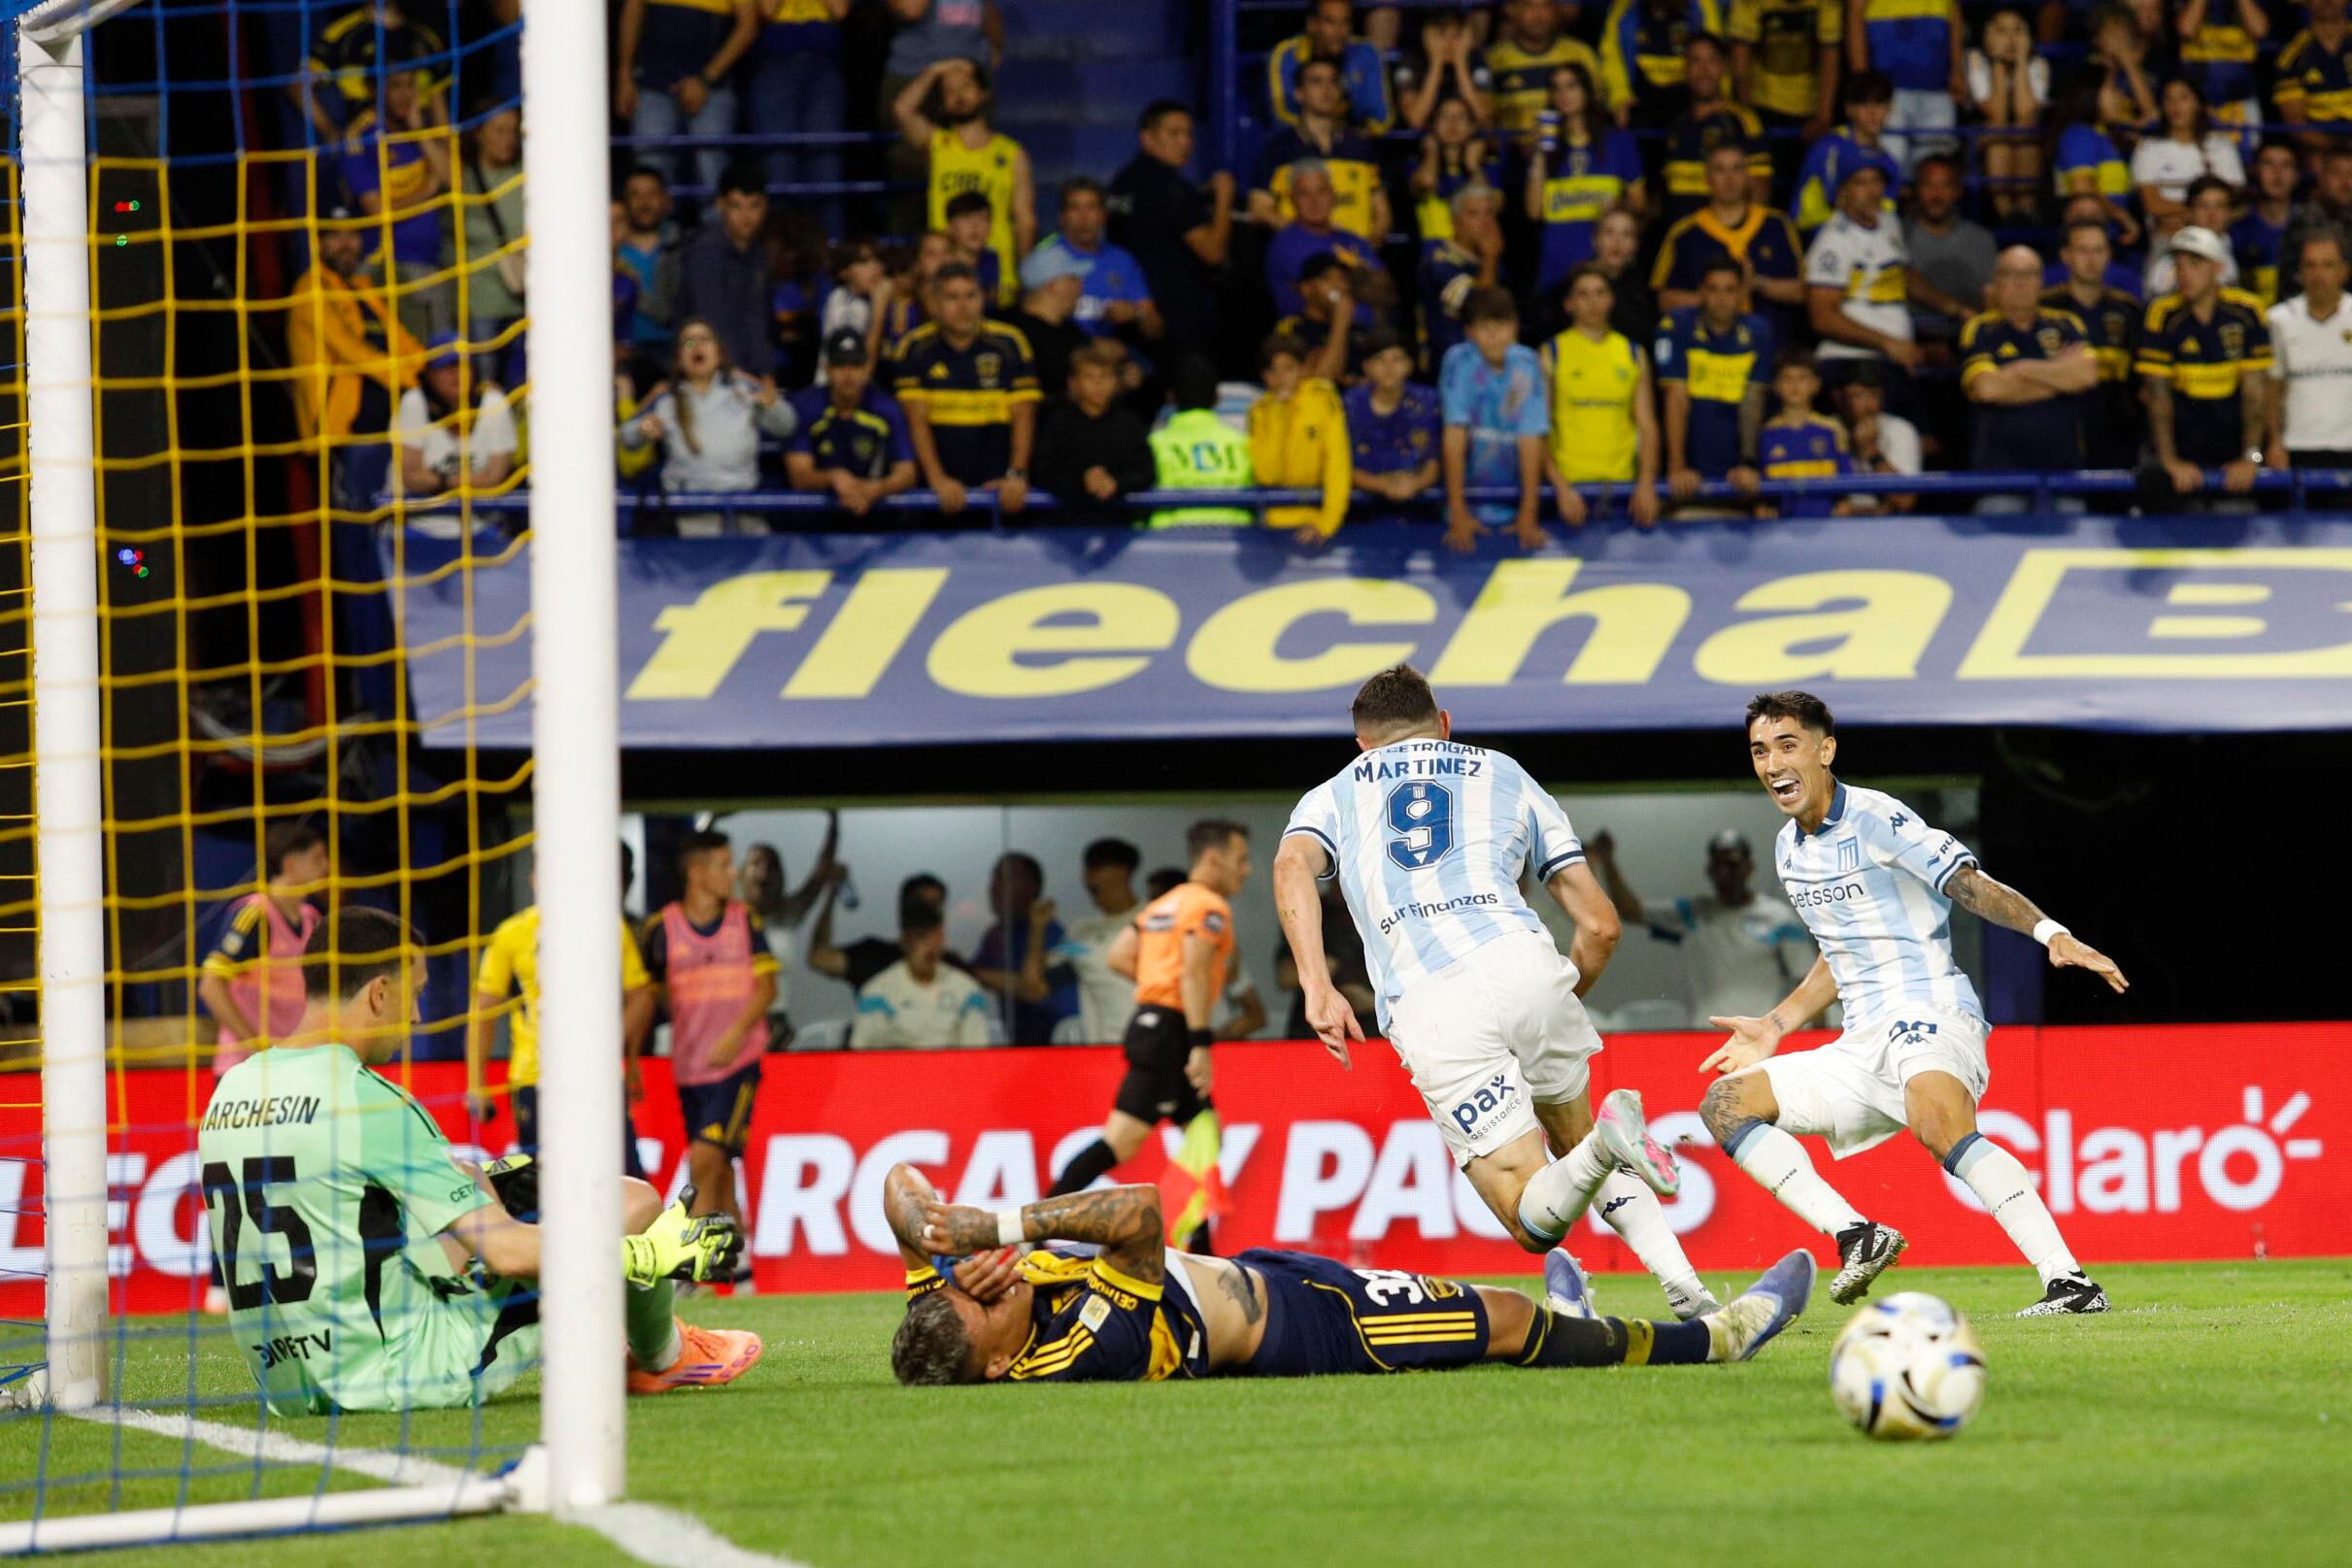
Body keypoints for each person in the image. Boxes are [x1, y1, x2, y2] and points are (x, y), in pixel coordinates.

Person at [1271, 665, 1716, 1318]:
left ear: (1362, 744)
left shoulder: (1333, 793)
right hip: (1525, 960)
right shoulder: (1505, 773)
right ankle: (1691, 1293)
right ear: (1445, 725)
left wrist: (1317, 985)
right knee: (1576, 1139)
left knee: (1530, 1217)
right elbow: (1601, 925)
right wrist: (1557, 995)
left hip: (1432, 995)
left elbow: (1291, 866)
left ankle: (1607, 1146)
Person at [199, 907, 758, 1413]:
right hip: (404, 1371)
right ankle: (664, 1355)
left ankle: (627, 1338)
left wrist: (474, 1187)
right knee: (632, 1204)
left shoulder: (232, 1090)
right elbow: (508, 1254)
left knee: (491, 1190)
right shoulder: (368, 1100)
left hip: (288, 1384)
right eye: (414, 993)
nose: (417, 1015)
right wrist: (647, 1254)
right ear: (378, 994)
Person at [1698, 690, 2128, 1316]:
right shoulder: (1788, 850)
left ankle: (2070, 1283)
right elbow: (1839, 953)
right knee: (1725, 1104)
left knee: (1938, 1123)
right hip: (1860, 1042)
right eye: (1761, 751)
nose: (1773, 764)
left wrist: (2048, 933)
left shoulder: (1878, 817)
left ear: (1826, 750)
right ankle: (1857, 1235)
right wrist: (1775, 1023)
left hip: (1929, 1010)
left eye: (1788, 746)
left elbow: (1967, 884)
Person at [883, 1165, 1814, 1385]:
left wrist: (942, 1239)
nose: (988, 1282)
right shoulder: (1085, 1350)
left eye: (962, 1281)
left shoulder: (957, 1307)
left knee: (1504, 1309)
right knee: (1498, 1318)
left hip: (1262, 1270)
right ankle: (1713, 1339)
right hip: (1307, 1328)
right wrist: (995, 1226)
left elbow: (895, 1184)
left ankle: (1571, 1316)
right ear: (1001, 1364)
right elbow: (1138, 1211)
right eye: (984, 1303)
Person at [1044, 822, 1253, 1218]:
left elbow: (1119, 956)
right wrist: (1200, 1043)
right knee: (1121, 1142)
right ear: (1213, 859)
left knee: (1206, 1134)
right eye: (1240, 859)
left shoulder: (1162, 906)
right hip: (1172, 1034)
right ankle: (1032, 1227)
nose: (1247, 869)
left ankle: (1197, 1244)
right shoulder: (1209, 907)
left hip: (1153, 1023)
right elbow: (1193, 972)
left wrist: (1158, 983)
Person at [468, 859, 657, 1165]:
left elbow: (642, 995)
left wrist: (617, 1050)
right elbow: (484, 1010)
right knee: (544, 1182)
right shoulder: (512, 934)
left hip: (598, 1077)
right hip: (536, 1077)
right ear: (534, 879)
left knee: (623, 1179)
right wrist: (476, 1083)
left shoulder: (606, 925)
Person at [640, 829, 781, 1234]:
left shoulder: (744, 920)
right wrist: (631, 1059)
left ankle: (692, 1254)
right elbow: (646, 998)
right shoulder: (662, 929)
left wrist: (734, 1036)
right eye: (724, 865)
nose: (733, 873)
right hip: (689, 1069)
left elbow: (767, 989)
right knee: (718, 1166)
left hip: (738, 1064)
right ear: (697, 873)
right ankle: (739, 1260)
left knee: (703, 1159)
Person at [1587, 828, 1818, 1028]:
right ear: (1709, 870)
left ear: (1749, 868)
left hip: (1760, 1035)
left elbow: (1808, 983)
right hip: (1702, 1036)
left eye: (1733, 865)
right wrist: (1607, 860)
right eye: (1718, 865)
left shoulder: (1779, 918)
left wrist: (1818, 1038)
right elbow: (1631, 911)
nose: (1726, 873)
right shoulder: (1693, 912)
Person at [284, 209, 424, 512]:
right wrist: (415, 381)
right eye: (336, 236)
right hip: (341, 432)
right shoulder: (310, 289)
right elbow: (351, 352)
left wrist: (427, 373)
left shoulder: (363, 289)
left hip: (383, 424)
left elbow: (403, 342)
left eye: (352, 234)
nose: (346, 243)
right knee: (353, 522)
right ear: (319, 243)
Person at [889, 263, 1039, 518]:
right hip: (937, 494)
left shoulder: (1011, 343)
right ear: (934, 304)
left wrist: (1016, 475)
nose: (964, 306)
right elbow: (916, 421)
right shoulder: (914, 348)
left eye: (971, 296)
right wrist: (938, 480)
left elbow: (1024, 415)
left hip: (999, 491)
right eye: (952, 297)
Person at [621, 318, 797, 535]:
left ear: (719, 354)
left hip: (745, 516)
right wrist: (642, 430)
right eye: (688, 342)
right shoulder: (666, 398)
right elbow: (626, 436)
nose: (697, 346)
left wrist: (773, 406)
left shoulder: (744, 390)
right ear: (678, 359)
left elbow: (787, 426)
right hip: (686, 519)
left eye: (705, 340)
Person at [2139, 223, 2272, 507]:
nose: (2184, 273)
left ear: (2217, 268)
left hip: (2236, 456)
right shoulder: (2162, 313)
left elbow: (2256, 395)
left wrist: (2251, 459)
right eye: (2179, 265)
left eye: (2195, 264)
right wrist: (2169, 460)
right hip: (2182, 455)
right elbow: (2158, 395)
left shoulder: (2248, 311)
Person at [1806, 162, 1968, 395]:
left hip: (1894, 357)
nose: (1872, 191)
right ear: (1843, 192)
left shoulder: (1888, 221)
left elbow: (1904, 277)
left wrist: (1955, 308)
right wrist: (1887, 343)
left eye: (1876, 181)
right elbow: (1823, 317)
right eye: (1861, 183)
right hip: (1850, 361)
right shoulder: (1834, 241)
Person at [1960, 246, 2100, 510]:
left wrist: (2021, 370)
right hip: (2000, 476)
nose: (2021, 283)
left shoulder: (2067, 324)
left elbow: (2087, 376)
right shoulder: (1979, 329)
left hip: (2064, 473)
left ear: (2041, 281)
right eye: (2011, 274)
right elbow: (1987, 389)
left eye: (2029, 274)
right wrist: (2059, 376)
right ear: (1997, 281)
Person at [895, 57, 1035, 305]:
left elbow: (1025, 219)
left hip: (998, 278)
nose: (959, 96)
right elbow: (902, 109)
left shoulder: (1012, 153)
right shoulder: (937, 144)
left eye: (966, 86)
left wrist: (1026, 275)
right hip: (946, 277)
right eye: (950, 91)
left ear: (984, 94)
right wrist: (936, 69)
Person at [200, 821, 329, 1077]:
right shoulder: (256, 914)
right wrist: (256, 1048)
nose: (326, 866)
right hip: (246, 1070)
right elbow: (210, 986)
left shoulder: (312, 920)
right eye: (317, 858)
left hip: (291, 1067)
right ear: (290, 864)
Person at [336, 66, 453, 344]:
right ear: (376, 90)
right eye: (396, 86)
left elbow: (452, 179)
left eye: (410, 85)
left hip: (431, 265)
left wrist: (419, 132)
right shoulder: (359, 136)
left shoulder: (420, 126)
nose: (405, 94)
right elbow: (377, 210)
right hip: (387, 268)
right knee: (407, 355)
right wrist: (427, 190)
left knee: (442, 355)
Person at [1108, 102, 1234, 354]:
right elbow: (1213, 253)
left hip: (1130, 309)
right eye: (1174, 133)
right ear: (1147, 138)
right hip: (1173, 319)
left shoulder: (1123, 181)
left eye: (1188, 134)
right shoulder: (1173, 190)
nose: (1184, 142)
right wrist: (1224, 198)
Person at [1544, 266, 1664, 527]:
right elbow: (1537, 429)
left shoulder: (1632, 353)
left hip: (1623, 490)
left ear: (1611, 299)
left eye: (1600, 293)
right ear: (1569, 304)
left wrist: (1646, 483)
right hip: (1569, 492)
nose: (1593, 302)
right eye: (1583, 294)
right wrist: (1560, 489)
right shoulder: (1551, 353)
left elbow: (1647, 425)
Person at [1439, 288, 1552, 550]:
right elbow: (1454, 435)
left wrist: (1528, 513)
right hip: (1468, 502)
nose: (1493, 336)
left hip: (1514, 502)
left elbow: (1531, 438)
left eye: (1500, 326)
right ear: (1469, 332)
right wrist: (1457, 511)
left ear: (1514, 327)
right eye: (1484, 327)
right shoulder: (1458, 361)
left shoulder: (1527, 363)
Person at [1657, 257, 1774, 504]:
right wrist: (1677, 466)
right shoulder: (1676, 326)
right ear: (1700, 291)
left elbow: (1753, 400)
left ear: (1742, 293)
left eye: (1730, 290)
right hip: (1690, 464)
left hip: (1737, 468)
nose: (1722, 298)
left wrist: (1748, 464)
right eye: (1713, 289)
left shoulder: (1758, 331)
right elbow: (1675, 397)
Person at [614, 0, 758, 194]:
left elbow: (748, 26)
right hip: (652, 83)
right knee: (649, 175)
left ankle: (714, 216)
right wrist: (624, 73)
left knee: (712, 173)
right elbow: (633, 9)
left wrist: (705, 79)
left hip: (712, 89)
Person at [1527, 63, 1648, 288]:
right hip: (1557, 267)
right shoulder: (1549, 147)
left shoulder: (1619, 141)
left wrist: (1615, 210)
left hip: (1605, 272)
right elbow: (1535, 212)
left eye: (1571, 86)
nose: (1564, 94)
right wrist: (1538, 156)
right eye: (1557, 88)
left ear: (1586, 90)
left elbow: (1639, 205)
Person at [1654, 142, 1807, 314]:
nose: (1729, 178)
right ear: (1707, 178)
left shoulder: (1777, 224)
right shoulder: (1684, 233)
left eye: (1737, 169)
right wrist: (1717, 297)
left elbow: (1803, 291)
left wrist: (1758, 283)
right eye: (1720, 169)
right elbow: (1664, 300)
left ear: (1748, 177)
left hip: (1770, 330)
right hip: (1702, 331)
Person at [1250, 58, 1391, 243]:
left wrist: (1365, 248)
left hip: (1356, 255)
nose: (1327, 89)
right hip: (1302, 256)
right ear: (1299, 94)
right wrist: (1312, 239)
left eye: (1333, 81)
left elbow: (1382, 212)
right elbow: (1259, 209)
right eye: (1316, 82)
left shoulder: (1361, 146)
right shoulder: (1277, 149)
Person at [786, 328, 919, 522]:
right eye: (840, 365)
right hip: (817, 522)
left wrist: (877, 489)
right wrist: (833, 477)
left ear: (866, 369)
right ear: (827, 369)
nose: (848, 374)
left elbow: (906, 472)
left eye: (855, 365)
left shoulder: (887, 407)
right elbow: (799, 475)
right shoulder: (806, 406)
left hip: (877, 520)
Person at [2044, 217, 2147, 467]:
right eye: (2083, 251)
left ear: (2109, 255)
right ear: (2066, 256)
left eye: (2098, 250)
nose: (2091, 260)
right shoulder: (2046, 309)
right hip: (2059, 431)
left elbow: (2142, 379)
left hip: (2119, 435)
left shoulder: (2129, 310)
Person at [748, 0, 850, 231]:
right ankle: (781, 247)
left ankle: (829, 245)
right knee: (779, 168)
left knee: (825, 167)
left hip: (824, 67)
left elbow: (840, 10)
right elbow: (767, 10)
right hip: (776, 64)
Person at [1033, 343, 1155, 525]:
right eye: (1089, 377)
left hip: (1119, 526)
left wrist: (1116, 483)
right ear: (1073, 383)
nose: (1098, 384)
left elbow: (1145, 470)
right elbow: (1043, 471)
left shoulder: (1130, 423)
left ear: (1116, 381)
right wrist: (1081, 480)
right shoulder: (1057, 423)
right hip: (1065, 526)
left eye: (1105, 376)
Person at [394, 332, 519, 508]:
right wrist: (471, 482)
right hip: (421, 515)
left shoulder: (494, 402)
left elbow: (495, 478)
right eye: (446, 367)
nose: (456, 374)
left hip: (481, 516)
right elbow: (413, 478)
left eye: (462, 365)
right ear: (429, 374)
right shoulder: (413, 402)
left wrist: (441, 482)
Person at [674, 166, 777, 379]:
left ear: (765, 206)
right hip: (703, 369)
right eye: (736, 206)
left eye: (754, 206)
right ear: (720, 205)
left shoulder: (758, 254)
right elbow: (712, 324)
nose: (746, 216)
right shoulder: (705, 254)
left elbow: (758, 322)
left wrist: (766, 374)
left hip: (746, 376)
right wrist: (739, 378)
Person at [1250, 332, 1353, 544]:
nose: (1281, 378)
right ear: (1264, 376)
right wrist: (1278, 414)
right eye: (1273, 371)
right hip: (1272, 522)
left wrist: (1327, 522)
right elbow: (1268, 475)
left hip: (1319, 519)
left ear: (1303, 369)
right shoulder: (1260, 411)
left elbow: (1338, 467)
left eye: (1289, 368)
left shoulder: (1323, 400)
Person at [1659, 33, 1773, 222]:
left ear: (1724, 67)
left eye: (1712, 61)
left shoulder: (1743, 121)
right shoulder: (1676, 124)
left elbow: (1760, 191)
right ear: (1685, 69)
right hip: (1682, 234)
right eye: (1696, 61)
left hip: (1723, 235)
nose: (1704, 70)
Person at [292, 1, 446, 143]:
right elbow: (298, 85)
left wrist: (443, 145)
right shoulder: (342, 34)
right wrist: (329, 131)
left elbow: (439, 98)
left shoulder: (424, 35)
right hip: (366, 141)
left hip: (422, 140)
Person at [1029, 177, 1159, 342]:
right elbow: (1032, 322)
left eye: (1091, 207)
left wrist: (1137, 314)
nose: (1083, 217)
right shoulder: (1044, 258)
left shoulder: (1122, 260)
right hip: (1057, 348)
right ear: (1062, 217)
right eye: (1074, 208)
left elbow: (1155, 330)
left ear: (1104, 216)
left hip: (1116, 349)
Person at [2265, 226, 2352, 466]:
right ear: (2300, 272)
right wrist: (2274, 442)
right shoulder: (2278, 319)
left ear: (2344, 271)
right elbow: (2272, 389)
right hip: (2296, 447)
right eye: (2310, 265)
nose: (2318, 274)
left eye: (2328, 265)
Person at [851, 903, 994, 1049]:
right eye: (921, 937)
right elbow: (862, 1052)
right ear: (904, 942)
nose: (930, 947)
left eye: (935, 937)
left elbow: (978, 1052)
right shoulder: (877, 992)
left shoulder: (967, 990)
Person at [970, 851, 1076, 1045]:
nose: (994, 888)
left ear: (1031, 886)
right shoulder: (997, 935)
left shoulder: (1050, 934)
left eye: (1004, 879)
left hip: (1059, 1043)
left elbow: (1032, 989)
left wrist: (974, 972)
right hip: (1020, 1044)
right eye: (994, 879)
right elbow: (972, 976)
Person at [1851, 0, 1966, 171]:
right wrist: (1863, 83)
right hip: (1888, 90)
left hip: (1937, 87)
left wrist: (1957, 70)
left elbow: (1954, 13)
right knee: (1890, 163)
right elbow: (1855, 12)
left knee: (1935, 168)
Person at [1264, 162, 1388, 320]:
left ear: (1333, 195)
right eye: (1304, 194)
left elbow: (1387, 293)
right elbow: (1323, 299)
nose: (1315, 201)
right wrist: (1362, 278)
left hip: (1371, 331)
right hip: (1313, 332)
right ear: (1292, 199)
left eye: (1321, 191)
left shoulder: (1353, 240)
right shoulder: (1284, 246)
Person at [1730, 0, 1844, 169]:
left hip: (1810, 110)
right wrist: (1749, 116)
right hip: (1763, 105)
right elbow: (1740, 62)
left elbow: (1830, 59)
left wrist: (1823, 116)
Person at [454, 108, 525, 374]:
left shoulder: (527, 175)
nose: (508, 139)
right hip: (480, 303)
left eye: (513, 131)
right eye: (499, 131)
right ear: (479, 134)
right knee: (486, 382)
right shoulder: (462, 178)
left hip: (522, 299)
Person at [1148, 355, 1258, 526]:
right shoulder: (1242, 442)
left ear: (1171, 398)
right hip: (1234, 535)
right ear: (1217, 398)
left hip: (1168, 538)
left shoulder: (1153, 444)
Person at [1344, 329, 1442, 520]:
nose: (1389, 367)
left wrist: (1414, 484)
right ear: (1366, 367)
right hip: (1362, 514)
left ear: (1410, 365)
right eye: (1380, 359)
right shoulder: (1351, 403)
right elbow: (1343, 466)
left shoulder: (1427, 401)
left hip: (1420, 511)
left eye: (1397, 359)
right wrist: (1384, 486)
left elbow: (1433, 464)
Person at [1791, 68, 1899, 233]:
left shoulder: (1889, 163)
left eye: (1879, 104)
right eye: (1863, 104)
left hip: (1861, 237)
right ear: (1849, 109)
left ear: (1890, 108)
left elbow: (1886, 214)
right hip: (1814, 234)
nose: (1872, 113)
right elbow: (1834, 203)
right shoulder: (1829, 147)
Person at [808, 874, 959, 991]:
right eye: (923, 905)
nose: (930, 912)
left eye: (937, 905)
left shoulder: (950, 964)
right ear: (903, 910)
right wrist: (831, 895)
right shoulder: (875, 955)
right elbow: (818, 958)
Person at [2133, 77, 2247, 232]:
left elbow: (2234, 197)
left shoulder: (2220, 145)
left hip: (2215, 231)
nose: (2175, 106)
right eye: (2169, 99)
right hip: (2168, 233)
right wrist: (2201, 213)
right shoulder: (2148, 147)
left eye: (2183, 98)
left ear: (2198, 104)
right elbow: (2153, 204)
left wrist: (2193, 215)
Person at [1966, 8, 2048, 221]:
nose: (2011, 39)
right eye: (2001, 31)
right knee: (1998, 132)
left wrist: (2021, 60)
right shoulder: (1976, 59)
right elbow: (1997, 113)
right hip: (1984, 143)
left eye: (2018, 30)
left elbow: (2025, 113)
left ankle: (2026, 212)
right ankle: (2005, 214)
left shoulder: (2038, 64)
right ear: (1987, 35)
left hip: (2026, 141)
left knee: (2025, 130)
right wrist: (1996, 61)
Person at [2047, 67, 2142, 247]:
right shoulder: (2079, 135)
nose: (2120, 96)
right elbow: (2083, 188)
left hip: (2109, 236)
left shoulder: (2104, 135)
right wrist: (2123, 218)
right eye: (2113, 90)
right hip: (2086, 240)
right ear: (2091, 94)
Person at [1269, 0, 1397, 132]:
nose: (1339, 31)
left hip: (1353, 139)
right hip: (1299, 141)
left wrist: (1350, 137)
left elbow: (1382, 118)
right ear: (1312, 24)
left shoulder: (1366, 52)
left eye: (1345, 22)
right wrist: (1322, 132)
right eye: (1330, 22)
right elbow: (1282, 115)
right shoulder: (1287, 54)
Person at [1600, 0, 1731, 129]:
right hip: (1641, 99)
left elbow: (1715, 58)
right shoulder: (1624, 8)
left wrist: (1721, 99)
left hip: (1687, 97)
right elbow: (1612, 58)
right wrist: (1620, 98)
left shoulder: (1702, 6)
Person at [1062, 838, 1143, 1044]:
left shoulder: (1155, 920)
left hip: (1152, 1046)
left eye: (1097, 867)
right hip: (1101, 1048)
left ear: (1123, 871)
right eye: (1087, 868)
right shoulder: (1080, 932)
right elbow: (1037, 986)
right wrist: (1037, 928)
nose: (1088, 877)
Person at [1485, 0, 1607, 138]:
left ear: (1557, 9)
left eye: (1546, 5)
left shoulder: (1581, 55)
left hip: (1572, 147)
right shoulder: (1493, 61)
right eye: (1529, 6)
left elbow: (1598, 107)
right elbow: (1484, 119)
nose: (1539, 15)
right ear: (1512, 10)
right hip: (1508, 149)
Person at [1420, 183, 1507, 371]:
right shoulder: (1438, 262)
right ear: (1455, 221)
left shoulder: (1493, 261)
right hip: (1452, 369)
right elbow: (1479, 311)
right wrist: (1490, 259)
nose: (1485, 223)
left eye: (1489, 213)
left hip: (1490, 367)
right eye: (1474, 214)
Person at [1757, 349, 1853, 517]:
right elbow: (1762, 496)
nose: (1795, 386)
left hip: (1825, 524)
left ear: (1816, 384)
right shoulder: (1766, 433)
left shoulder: (1832, 430)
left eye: (1802, 378)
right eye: (1787, 379)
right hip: (1781, 527)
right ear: (1776, 386)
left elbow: (1845, 487)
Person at [996, 249, 1092, 412]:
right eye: (1073, 279)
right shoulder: (1005, 331)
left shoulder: (1073, 334)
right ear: (1053, 285)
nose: (1080, 287)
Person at [1904, 155, 1998, 320]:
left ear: (1958, 191)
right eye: (1928, 185)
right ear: (1916, 190)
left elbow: (1991, 294)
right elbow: (1907, 280)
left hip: (1969, 331)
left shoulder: (1981, 240)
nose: (1936, 195)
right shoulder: (1899, 236)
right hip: (1911, 331)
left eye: (1945, 186)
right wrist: (1957, 310)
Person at [614, 165, 683, 373]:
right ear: (624, 202)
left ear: (667, 201)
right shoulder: (604, 253)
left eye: (652, 194)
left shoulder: (684, 248)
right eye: (636, 195)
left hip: (673, 352)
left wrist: (686, 349)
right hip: (617, 354)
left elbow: (678, 314)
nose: (644, 203)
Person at [1412, 96, 1504, 242]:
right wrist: (1431, 151)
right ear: (1434, 124)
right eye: (1445, 116)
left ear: (1472, 126)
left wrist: (1473, 166)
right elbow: (1427, 182)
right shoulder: (1418, 164)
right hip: (1437, 253)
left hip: (1474, 251)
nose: (1452, 123)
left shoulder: (1489, 166)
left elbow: (1494, 207)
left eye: (1461, 117)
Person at [1282, 250, 1381, 385]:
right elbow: (1320, 383)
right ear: (1306, 288)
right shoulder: (1293, 328)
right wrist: (1341, 321)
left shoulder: (1359, 331)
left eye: (1342, 278)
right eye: (1327, 279)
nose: (1339, 286)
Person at [2178, 0, 2273, 140]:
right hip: (2198, 101)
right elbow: (2186, 29)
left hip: (2241, 99)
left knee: (2246, 150)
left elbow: (2259, 30)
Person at [1834, 361, 1922, 509]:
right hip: (1832, 520)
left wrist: (1873, 452)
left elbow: (1905, 500)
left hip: (1887, 522)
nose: (1868, 406)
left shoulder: (1900, 430)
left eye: (1874, 396)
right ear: (1839, 397)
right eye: (1858, 396)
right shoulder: (1826, 430)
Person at [2273, 0, 2352, 157]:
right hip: (2321, 147)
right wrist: (2338, 148)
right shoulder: (2291, 56)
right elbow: (2296, 125)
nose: (2327, 1)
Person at [2145, 176, 2244, 296]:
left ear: (2230, 212)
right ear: (2189, 212)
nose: (2212, 214)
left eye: (2219, 206)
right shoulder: (2173, 258)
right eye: (2203, 206)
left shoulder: (2241, 251)